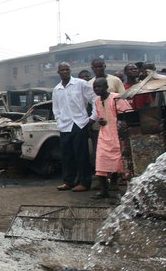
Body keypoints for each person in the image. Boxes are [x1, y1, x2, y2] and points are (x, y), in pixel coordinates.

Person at [52, 62, 97, 192]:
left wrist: (92, 117)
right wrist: (59, 120)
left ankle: (84, 182)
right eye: (62, 70)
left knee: (81, 155)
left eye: (67, 69)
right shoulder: (57, 89)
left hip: (79, 123)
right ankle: (68, 181)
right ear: (58, 72)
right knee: (67, 155)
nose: (65, 72)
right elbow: (56, 108)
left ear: (70, 71)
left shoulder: (81, 84)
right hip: (65, 125)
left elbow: (94, 99)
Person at [91, 78, 132, 198]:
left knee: (121, 162)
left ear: (106, 87)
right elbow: (101, 116)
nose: (97, 89)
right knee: (100, 161)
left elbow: (128, 114)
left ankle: (128, 190)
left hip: (118, 134)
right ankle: (104, 190)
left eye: (99, 87)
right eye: (95, 87)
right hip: (104, 134)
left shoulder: (116, 98)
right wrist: (101, 121)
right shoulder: (97, 101)